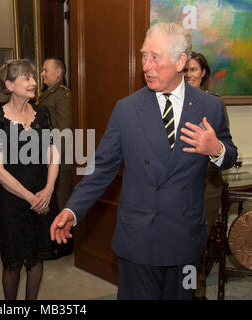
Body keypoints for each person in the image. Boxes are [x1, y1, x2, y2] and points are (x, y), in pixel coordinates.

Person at [50, 22, 238, 300]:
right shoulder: (126, 109)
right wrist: (73, 210)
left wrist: (216, 148)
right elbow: (101, 167)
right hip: (138, 241)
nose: (145, 65)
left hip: (184, 242)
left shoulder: (209, 106)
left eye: (154, 57)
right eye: (144, 55)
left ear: (180, 61)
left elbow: (230, 156)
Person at [0, 59, 65, 300]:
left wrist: (49, 189)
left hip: (42, 195)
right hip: (12, 201)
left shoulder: (43, 112)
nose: (33, 82)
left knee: (37, 258)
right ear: (9, 85)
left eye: (33, 77)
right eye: (26, 78)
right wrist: (30, 197)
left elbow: (53, 152)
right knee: (12, 263)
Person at [184, 51, 228, 300]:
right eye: (186, 69)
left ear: (203, 73)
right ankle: (183, 290)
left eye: (194, 69)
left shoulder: (215, 104)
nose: (189, 74)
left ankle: (196, 290)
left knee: (199, 245)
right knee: (181, 245)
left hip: (207, 188)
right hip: (179, 188)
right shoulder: (173, 104)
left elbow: (224, 146)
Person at [39, 57, 73, 211]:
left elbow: (64, 130)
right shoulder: (48, 94)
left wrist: (55, 159)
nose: (42, 74)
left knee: (60, 204)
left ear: (58, 72)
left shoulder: (62, 95)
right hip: (48, 156)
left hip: (59, 160)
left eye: (46, 70)